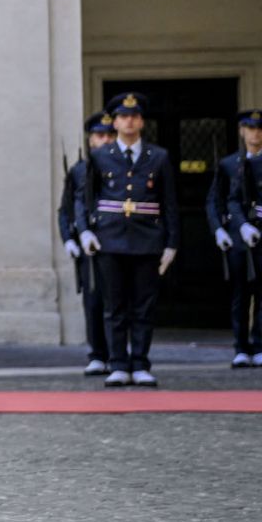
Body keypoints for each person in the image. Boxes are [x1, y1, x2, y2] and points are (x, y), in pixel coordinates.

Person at [80, 91, 180, 387]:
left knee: (143, 305)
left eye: (134, 116)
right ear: (116, 121)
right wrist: (86, 230)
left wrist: (171, 244)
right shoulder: (100, 156)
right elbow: (87, 198)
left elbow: (169, 203)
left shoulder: (158, 157)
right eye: (124, 117)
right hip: (109, 239)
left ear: (142, 122)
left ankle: (140, 362)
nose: (129, 121)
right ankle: (118, 363)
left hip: (147, 239)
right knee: (115, 306)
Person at [59, 112, 116, 376]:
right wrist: (69, 239)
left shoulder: (123, 166)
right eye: (99, 135)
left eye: (109, 135)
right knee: (94, 301)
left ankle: (117, 353)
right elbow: (67, 209)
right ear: (90, 140)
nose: (104, 140)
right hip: (88, 245)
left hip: (115, 240)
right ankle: (97, 353)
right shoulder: (79, 170)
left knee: (117, 301)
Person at [209, 108, 262, 368]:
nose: (255, 133)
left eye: (259, 128)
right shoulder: (230, 164)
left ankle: (260, 345)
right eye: (250, 128)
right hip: (239, 237)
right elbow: (217, 200)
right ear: (242, 131)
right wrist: (218, 229)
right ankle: (241, 347)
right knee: (241, 295)